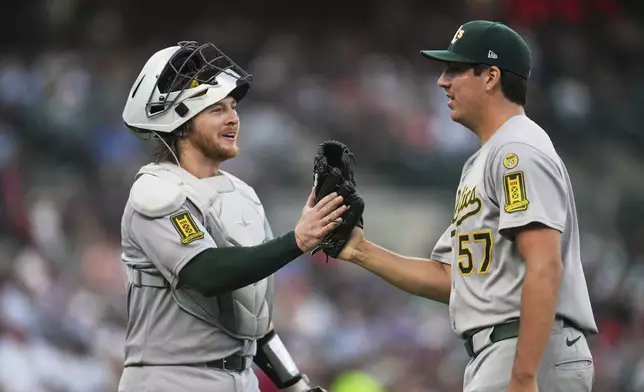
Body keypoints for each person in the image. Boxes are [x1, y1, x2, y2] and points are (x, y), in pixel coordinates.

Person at [335, 21, 598, 392]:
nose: (443, 81)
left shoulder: (516, 151)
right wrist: (360, 251)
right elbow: (454, 280)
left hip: (527, 352)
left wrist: (523, 376)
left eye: (455, 69)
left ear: (490, 77)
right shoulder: (484, 160)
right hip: (500, 352)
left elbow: (545, 264)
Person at [117, 41, 345, 392]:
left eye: (233, 106)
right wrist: (297, 240)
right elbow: (205, 273)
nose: (233, 118)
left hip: (239, 380)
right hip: (170, 378)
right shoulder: (156, 190)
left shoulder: (242, 195)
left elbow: (253, 317)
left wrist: (295, 384)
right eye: (215, 109)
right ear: (180, 121)